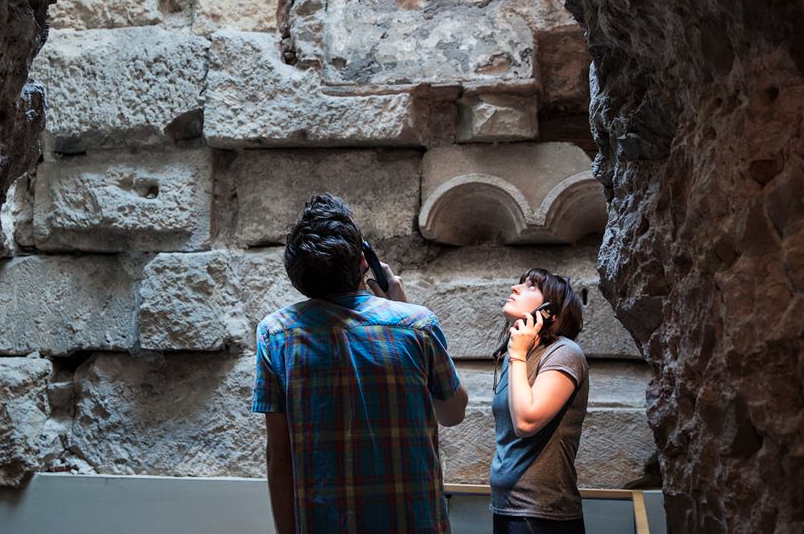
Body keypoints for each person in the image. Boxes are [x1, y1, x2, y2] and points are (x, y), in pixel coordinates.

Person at [252, 193, 469, 534]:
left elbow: (279, 455)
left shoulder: (275, 334)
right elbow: (452, 413)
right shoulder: (417, 325)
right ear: (364, 261)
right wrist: (403, 306)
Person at [490, 268, 589, 534]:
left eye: (531, 286)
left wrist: (518, 355)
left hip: (542, 514)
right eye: (520, 283)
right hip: (506, 506)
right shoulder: (517, 355)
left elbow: (526, 421)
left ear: (550, 312)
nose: (515, 288)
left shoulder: (564, 353)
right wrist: (517, 354)